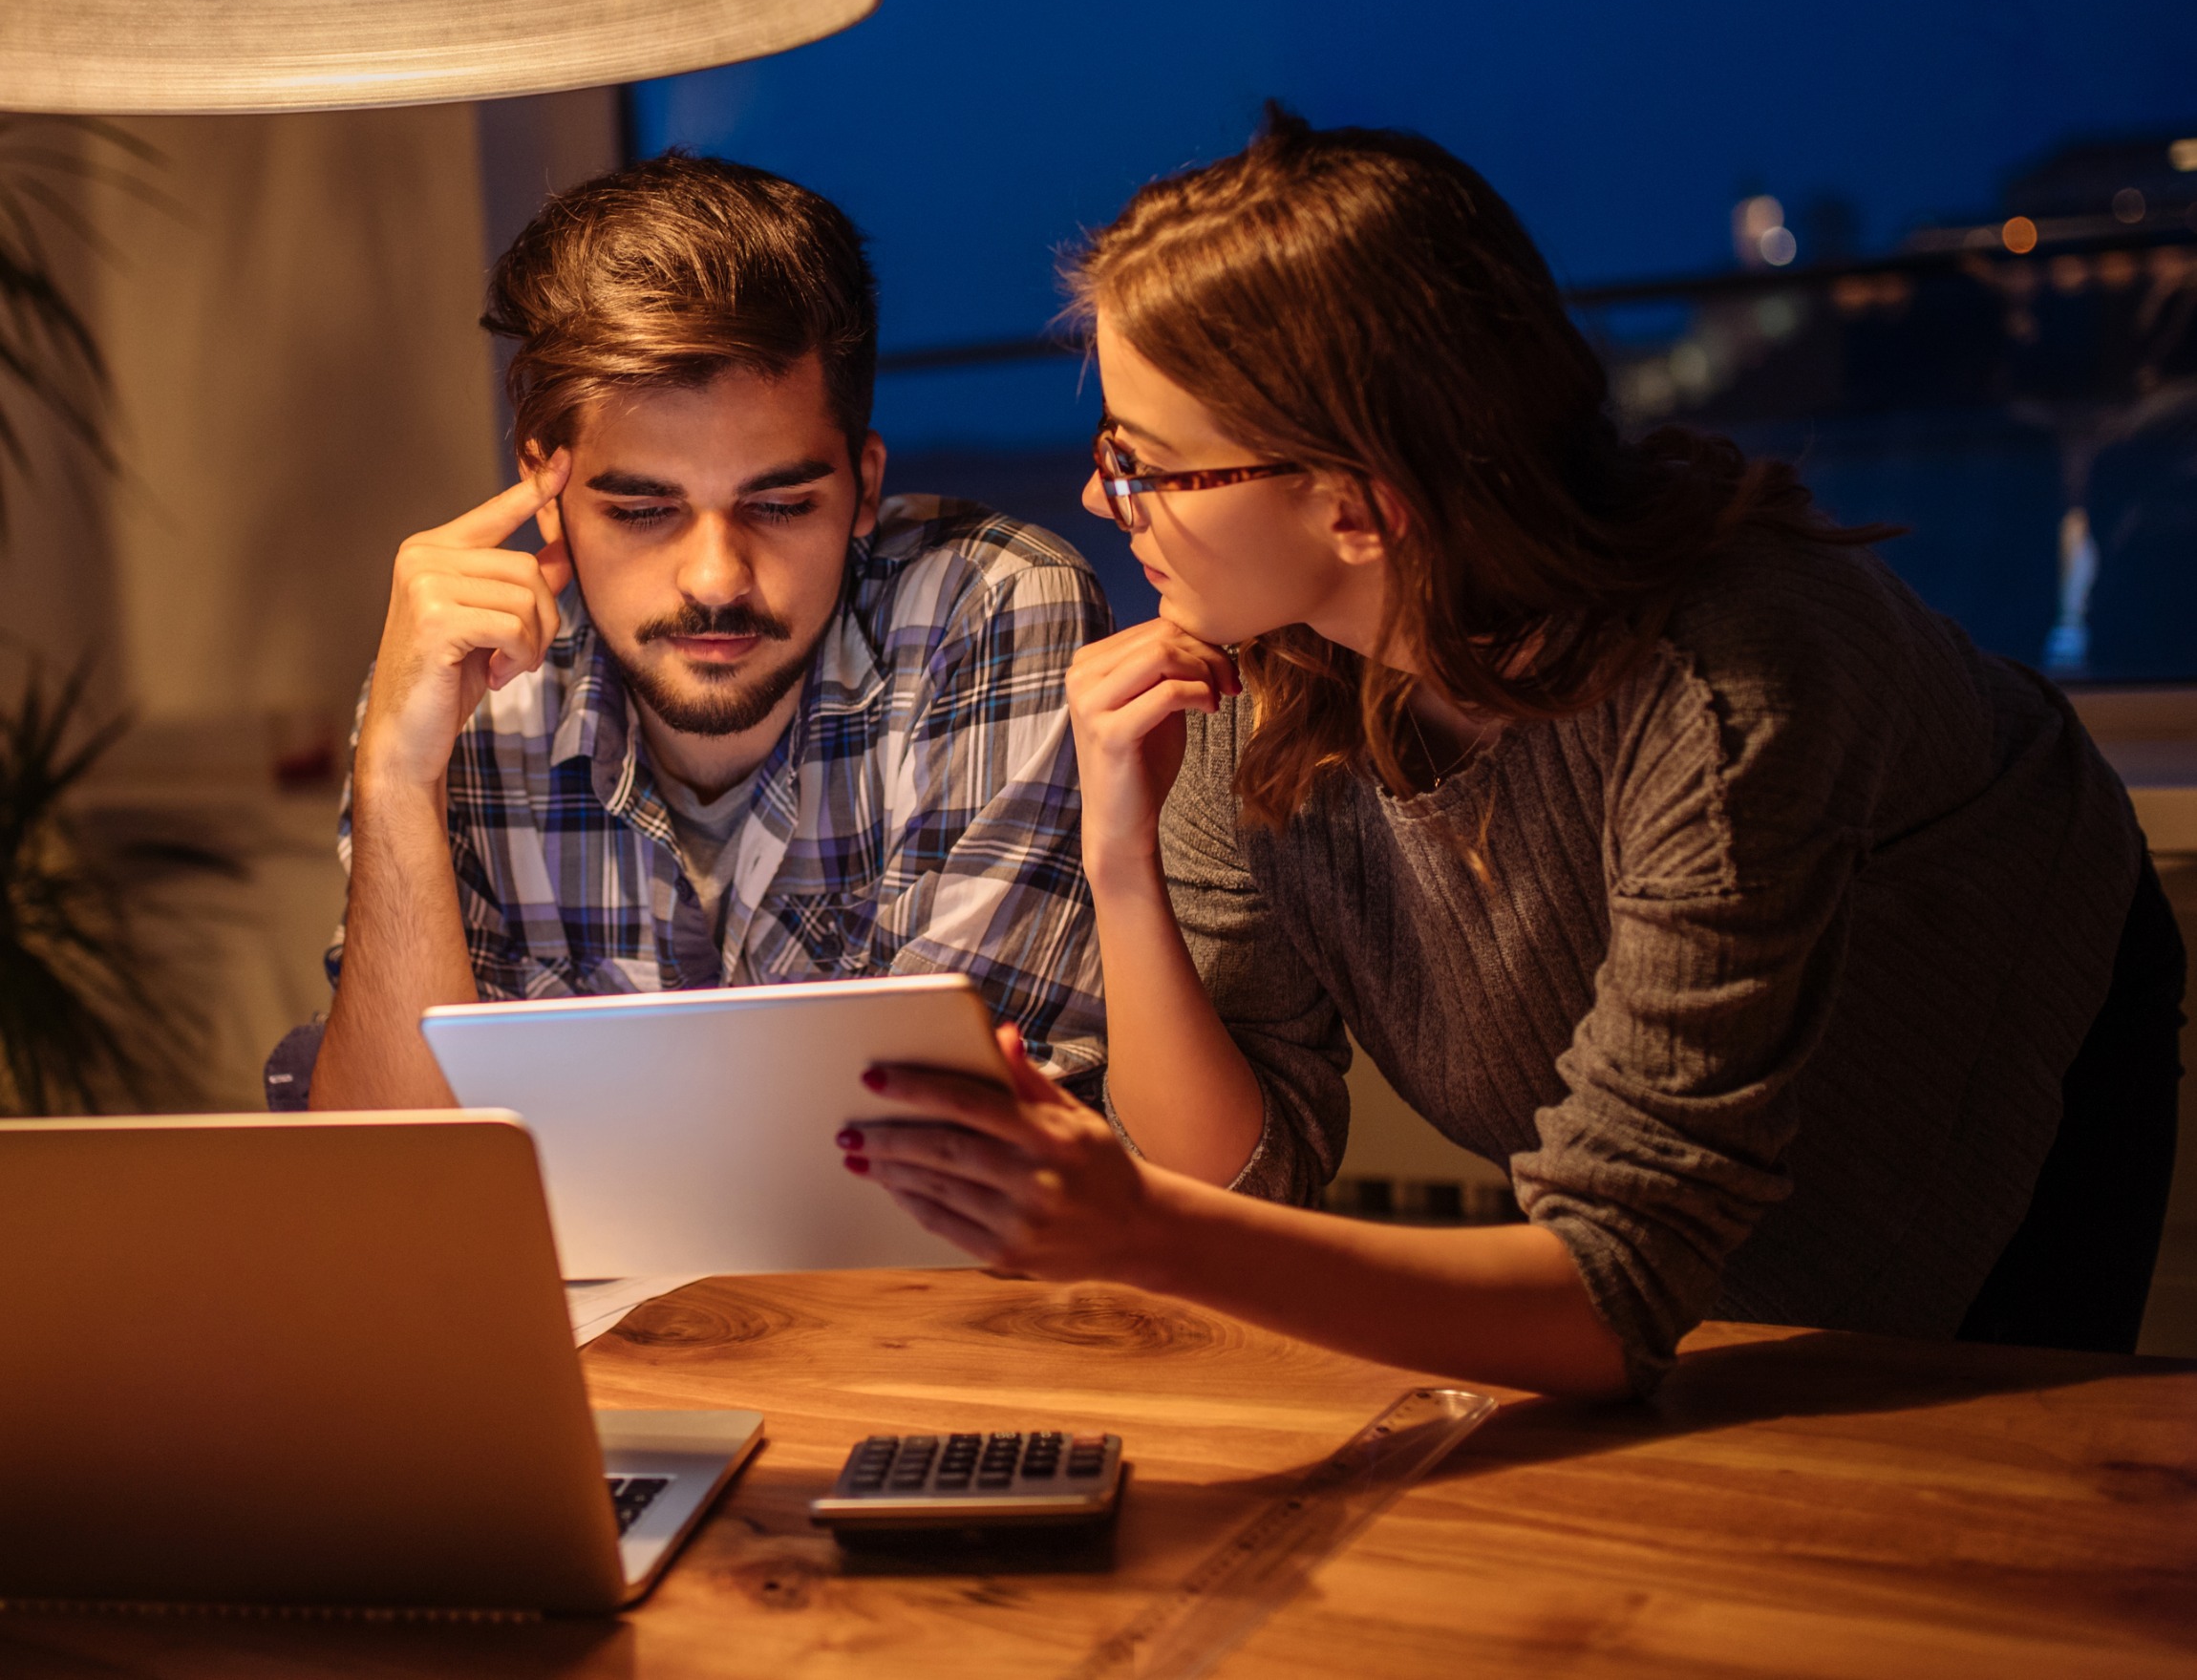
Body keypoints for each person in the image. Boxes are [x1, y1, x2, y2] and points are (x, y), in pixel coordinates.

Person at [841, 107, 2185, 1399]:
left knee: (1952, 1483)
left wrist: (1135, 1233)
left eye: (1143, 463)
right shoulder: (1253, 669)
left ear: (1358, 505)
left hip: (1997, 1018)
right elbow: (1233, 1185)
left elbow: (1610, 1287)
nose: (1096, 496)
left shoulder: (1727, 688)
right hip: (1664, 1223)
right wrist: (1118, 858)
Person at [276, 152, 1107, 1113]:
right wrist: (392, 775)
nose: (716, 575)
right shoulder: (465, 689)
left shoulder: (985, 610)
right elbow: (398, 1180)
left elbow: (966, 1155)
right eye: (642, 509)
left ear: (864, 486)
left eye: (782, 502)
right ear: (546, 494)